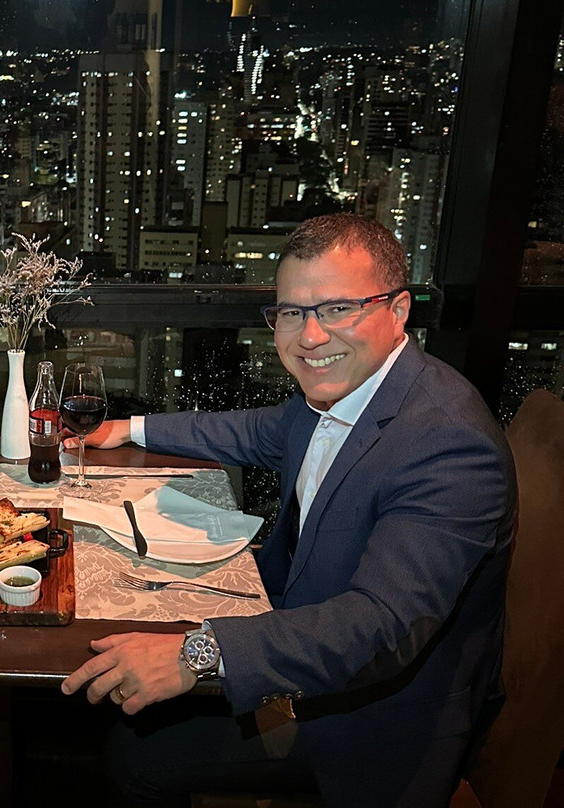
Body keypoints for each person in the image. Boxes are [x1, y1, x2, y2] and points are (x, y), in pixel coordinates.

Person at [61, 214, 516, 807]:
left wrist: (199, 653)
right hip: (306, 648)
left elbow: (382, 625)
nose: (310, 337)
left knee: (134, 753)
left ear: (398, 310)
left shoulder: (447, 443)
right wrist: (128, 428)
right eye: (292, 313)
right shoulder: (344, 392)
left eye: (338, 309)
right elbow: (249, 430)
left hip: (373, 720)